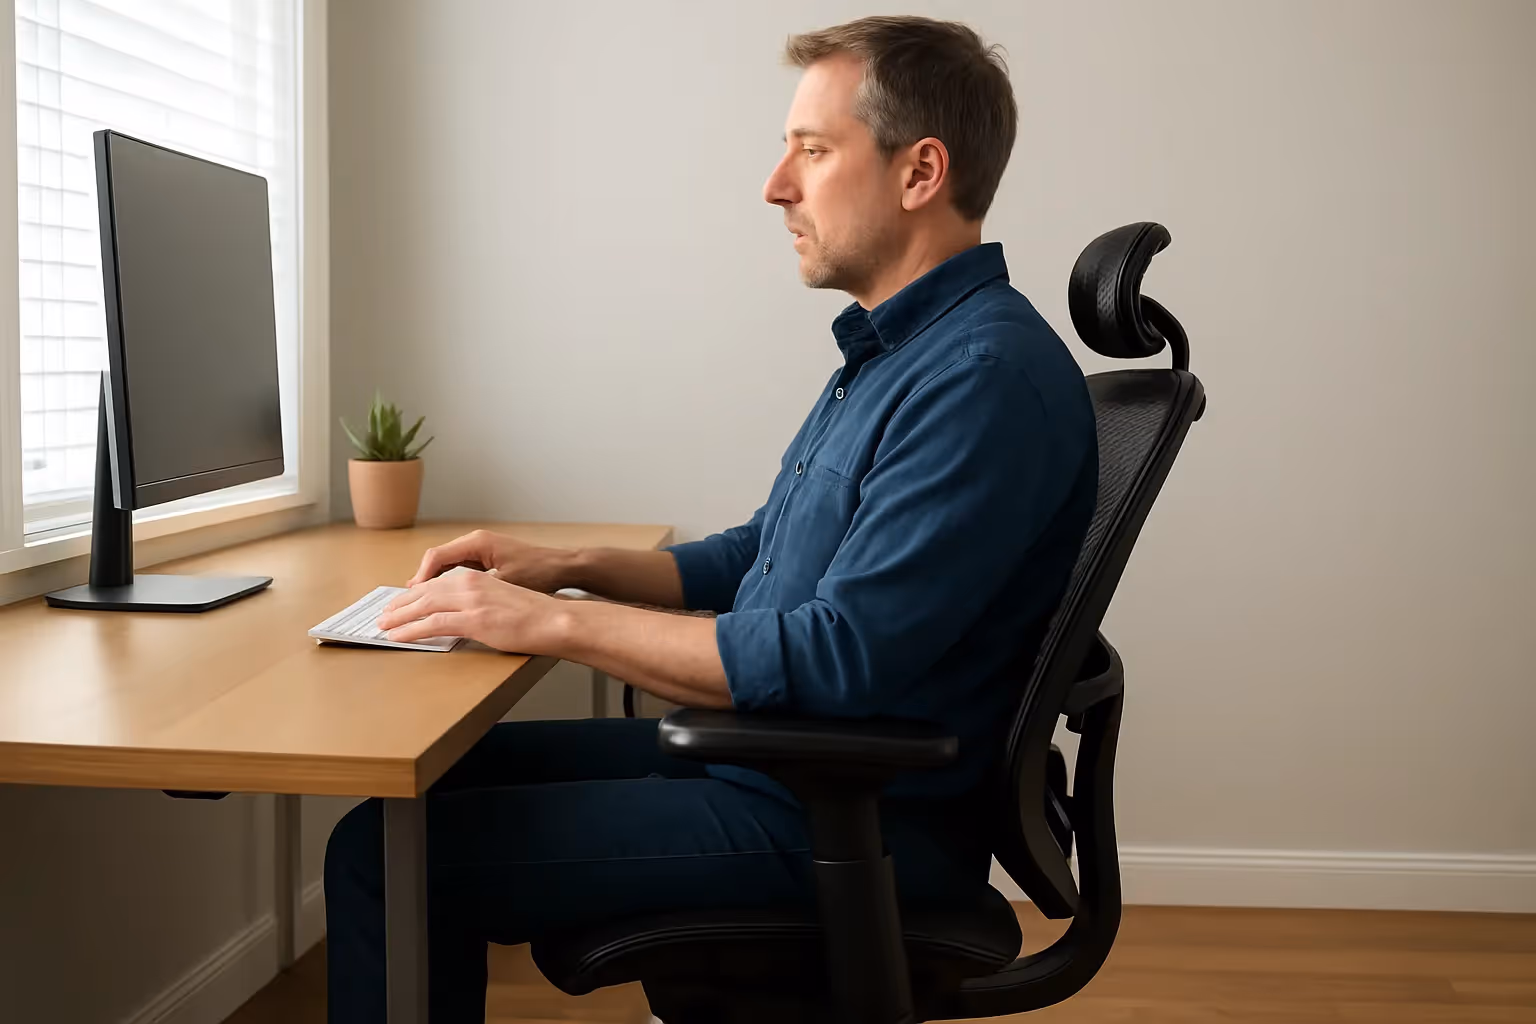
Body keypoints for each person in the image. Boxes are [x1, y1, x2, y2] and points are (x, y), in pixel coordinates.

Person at [324, 15, 1098, 1022]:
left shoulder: (981, 378)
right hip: (781, 770)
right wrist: (561, 567)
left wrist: (552, 626)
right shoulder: (899, 355)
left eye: (812, 151)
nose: (776, 184)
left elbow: (834, 659)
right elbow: (758, 554)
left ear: (921, 172)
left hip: (843, 812)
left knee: (384, 856)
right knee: (420, 794)